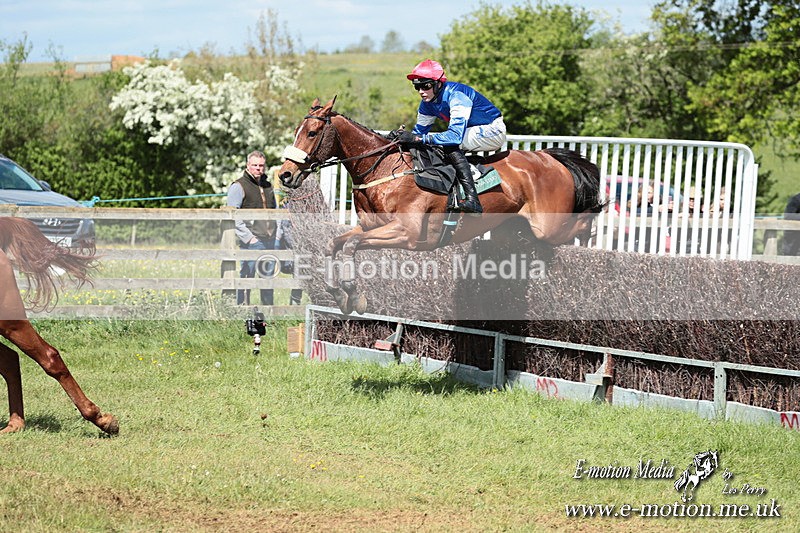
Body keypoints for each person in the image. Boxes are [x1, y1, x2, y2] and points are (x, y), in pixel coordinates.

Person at [396, 59, 507, 214]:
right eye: (417, 86)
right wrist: (400, 138)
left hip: (493, 130)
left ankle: (472, 200)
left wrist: (419, 139)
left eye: (426, 85)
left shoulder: (457, 95)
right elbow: (418, 133)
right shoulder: (427, 103)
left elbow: (454, 136)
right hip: (471, 131)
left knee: (448, 144)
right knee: (429, 145)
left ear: (438, 84)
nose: (421, 91)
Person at [227, 150, 277, 306]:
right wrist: (250, 239)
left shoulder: (268, 186)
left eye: (261, 165)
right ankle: (242, 310)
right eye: (255, 165)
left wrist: (278, 235)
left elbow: (275, 212)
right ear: (248, 165)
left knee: (268, 279)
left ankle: (268, 313)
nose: (258, 168)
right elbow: (233, 215)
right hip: (251, 240)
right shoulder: (238, 186)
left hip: (270, 240)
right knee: (247, 277)